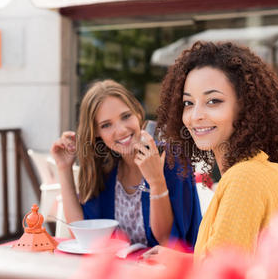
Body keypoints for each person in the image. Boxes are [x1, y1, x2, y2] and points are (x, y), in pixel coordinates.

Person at [144, 41, 278, 261]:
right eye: (188, 103)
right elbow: (235, 263)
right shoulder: (256, 169)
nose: (195, 115)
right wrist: (180, 260)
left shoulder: (244, 178)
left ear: (246, 106)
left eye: (213, 101)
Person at [51, 79, 201, 248]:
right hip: (117, 270)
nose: (121, 130)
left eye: (126, 116)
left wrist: (156, 180)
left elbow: (167, 240)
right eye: (106, 125)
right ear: (96, 133)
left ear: (138, 113)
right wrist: (64, 168)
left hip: (168, 270)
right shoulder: (106, 169)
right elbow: (84, 235)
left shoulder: (172, 159)